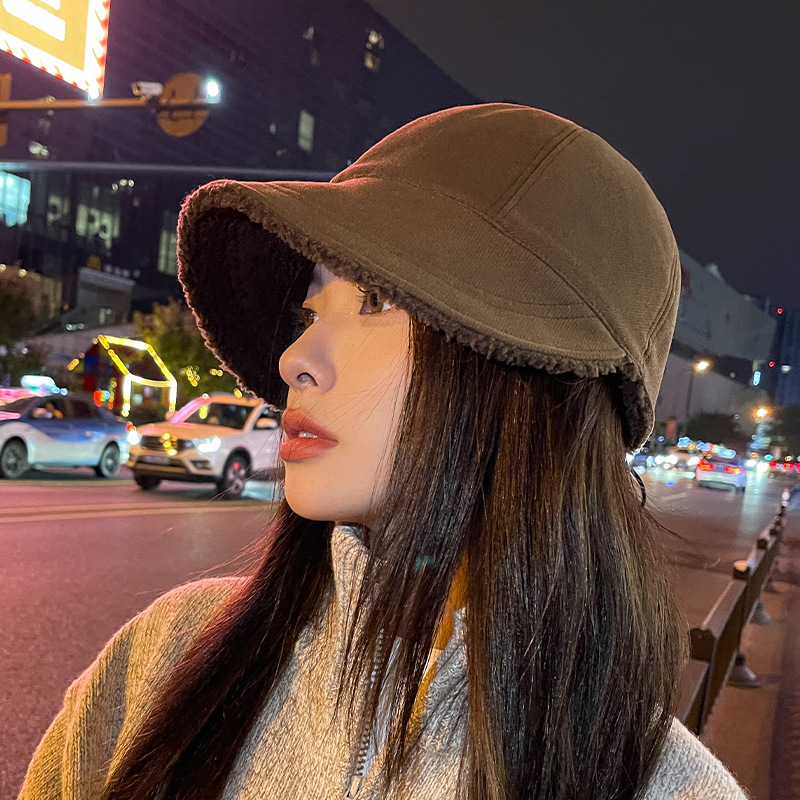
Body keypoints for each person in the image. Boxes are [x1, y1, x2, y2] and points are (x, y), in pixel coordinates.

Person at [18, 104, 747, 800]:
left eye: (373, 300)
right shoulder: (171, 652)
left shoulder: (668, 787)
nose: (296, 358)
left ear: (533, 378)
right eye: (310, 310)